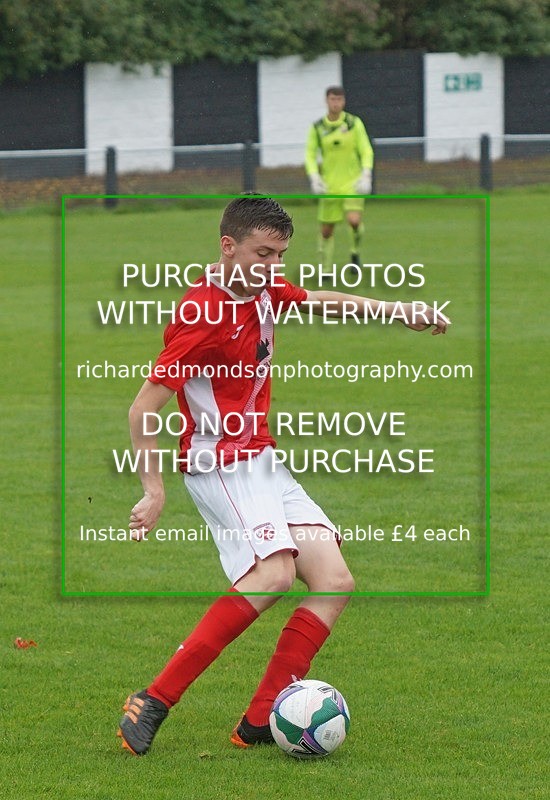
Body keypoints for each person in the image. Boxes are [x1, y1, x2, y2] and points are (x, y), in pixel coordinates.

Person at [117, 196, 448, 756]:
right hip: (219, 463)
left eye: (280, 255)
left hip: (262, 461)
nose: (273, 266)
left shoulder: (262, 287)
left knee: (334, 581)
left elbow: (322, 300)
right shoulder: (203, 317)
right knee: (272, 576)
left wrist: (400, 310)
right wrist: (153, 490)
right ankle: (153, 698)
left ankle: (257, 720)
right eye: (262, 253)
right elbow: (140, 410)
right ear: (229, 247)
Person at [305, 85, 374, 273]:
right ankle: (326, 269)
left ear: (344, 101)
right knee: (327, 230)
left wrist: (366, 174)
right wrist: (314, 177)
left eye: (339, 100)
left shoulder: (353, 123)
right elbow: (310, 154)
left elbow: (366, 149)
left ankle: (355, 252)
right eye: (332, 99)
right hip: (329, 186)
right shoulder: (318, 127)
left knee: (353, 221)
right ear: (326, 101)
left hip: (352, 183)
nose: (336, 103)